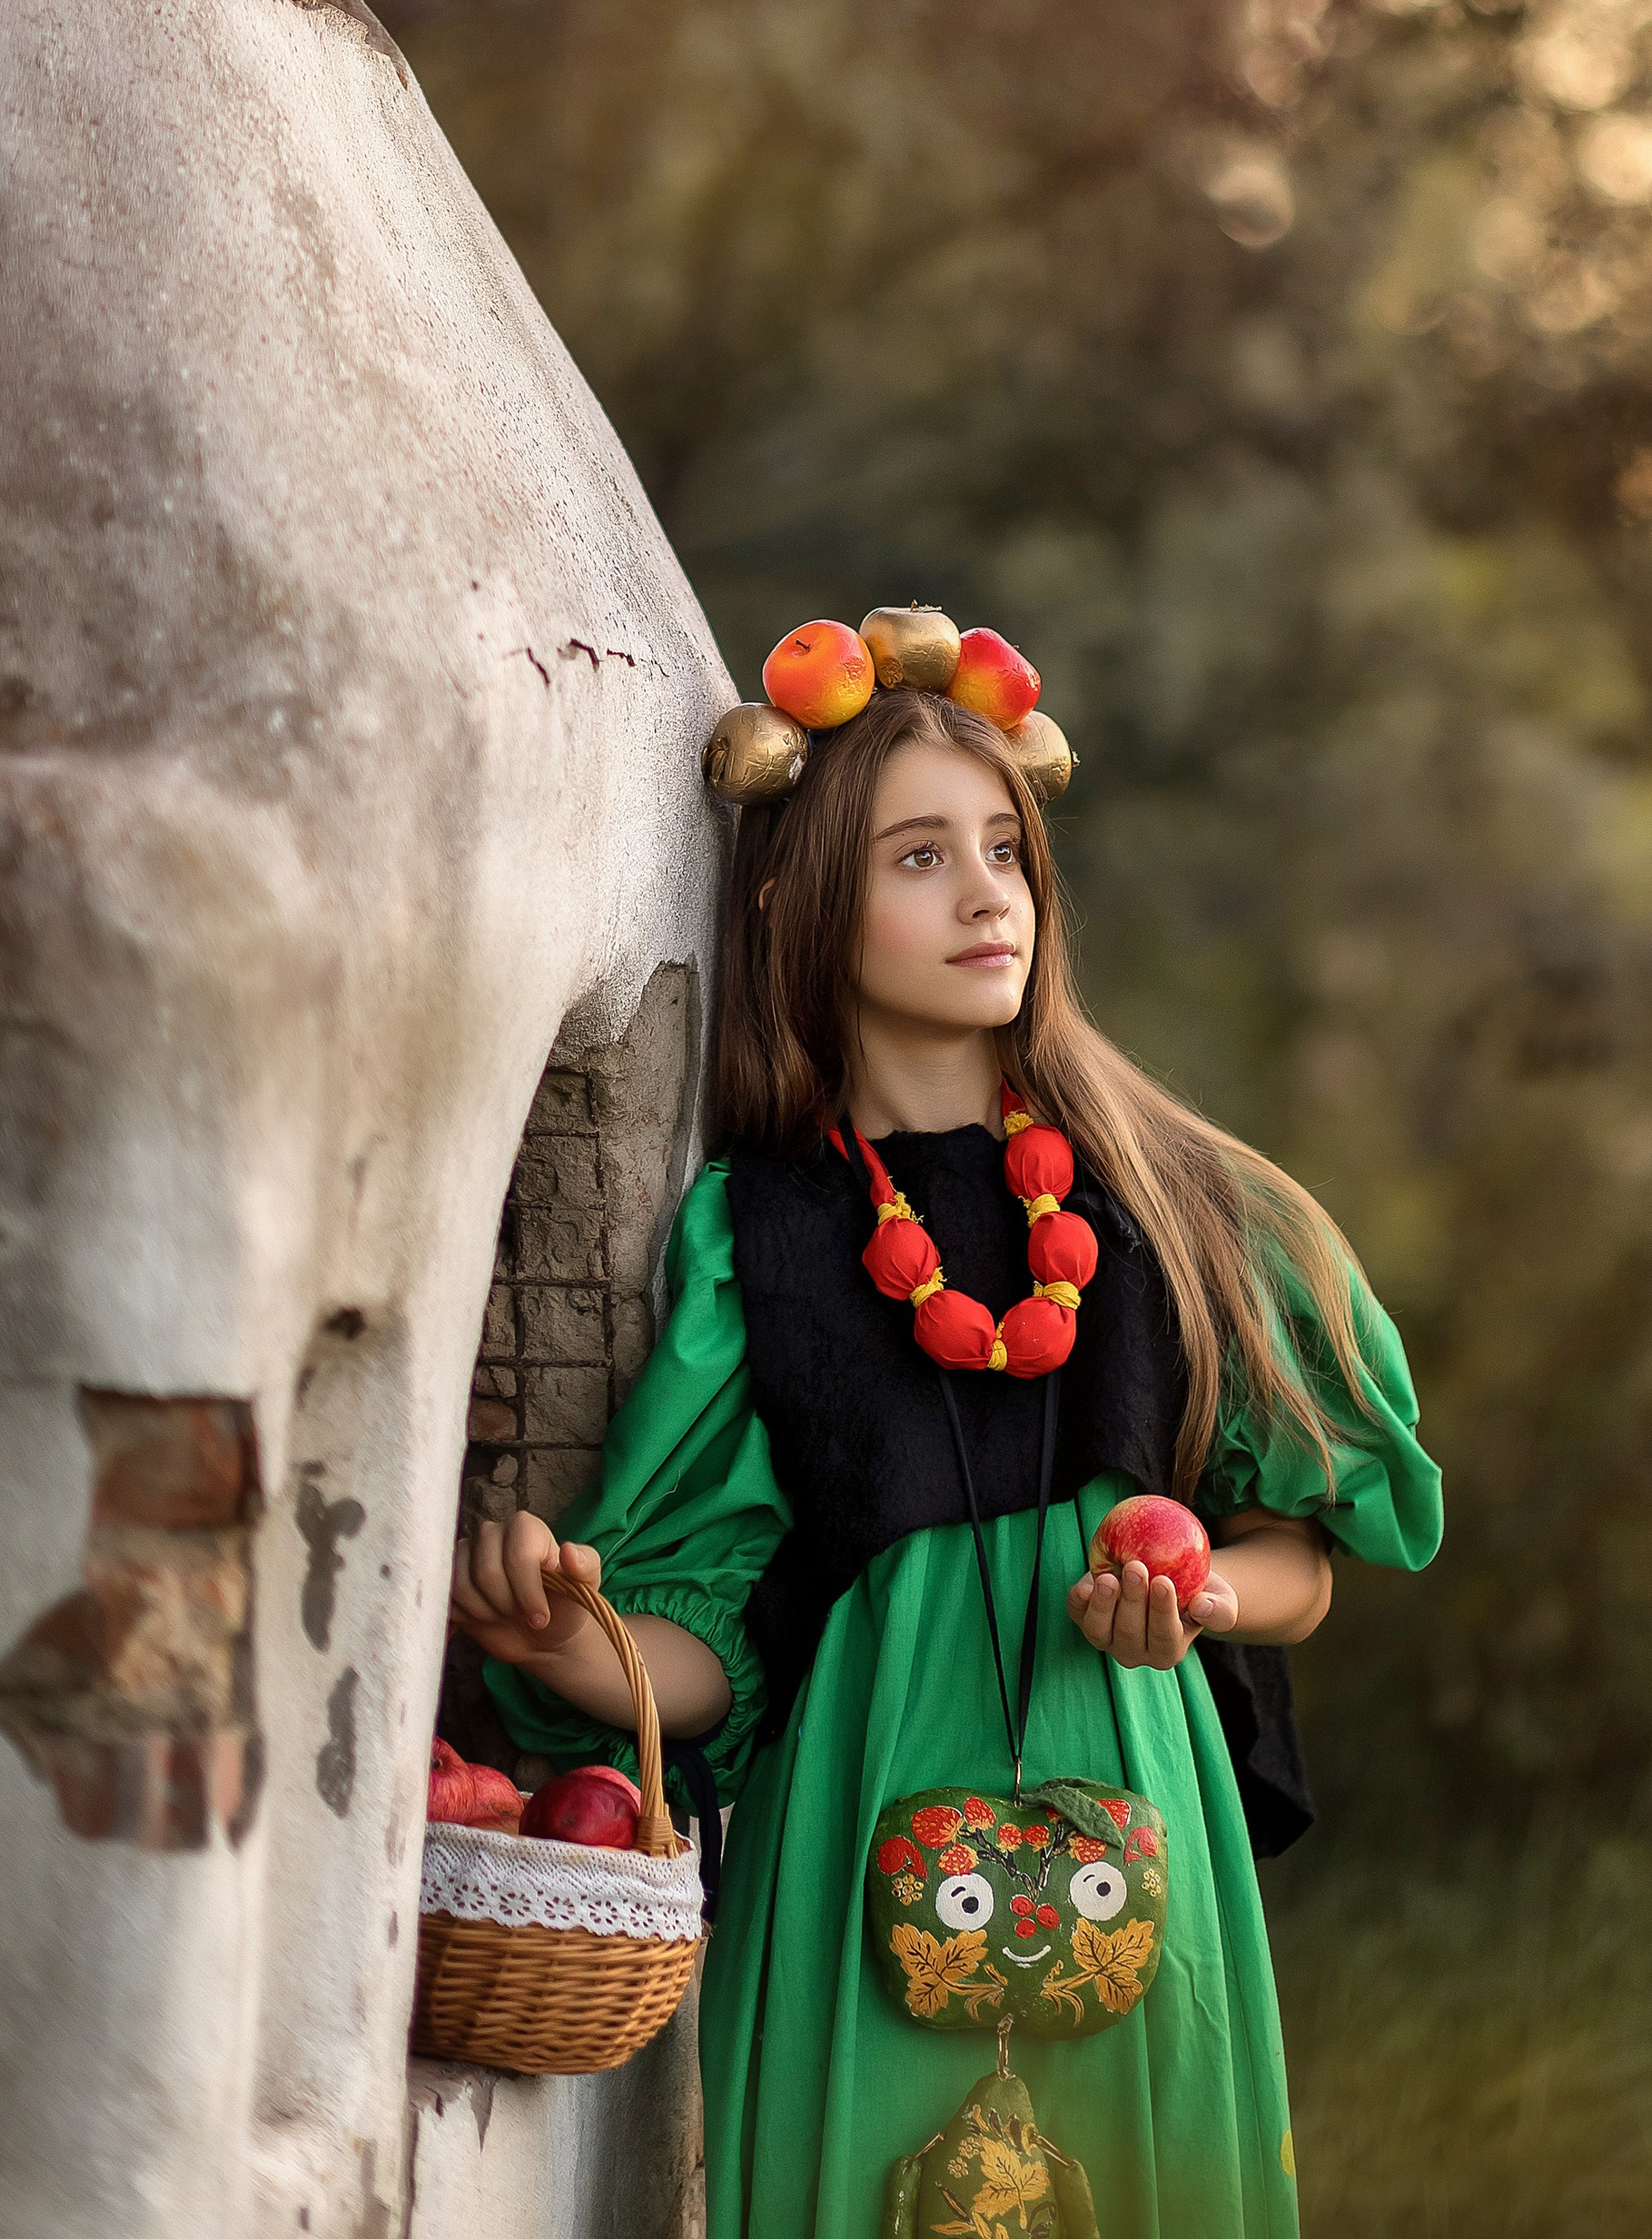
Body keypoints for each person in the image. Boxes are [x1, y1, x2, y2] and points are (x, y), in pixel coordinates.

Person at [450, 630, 1439, 2238]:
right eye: (922, 857)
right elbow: (728, 1646)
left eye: (1005, 852)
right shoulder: (753, 1240)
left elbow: (1302, 1565)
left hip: (1141, 1823)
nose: (990, 896)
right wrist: (579, 1650)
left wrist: (1202, 1602)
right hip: (852, 1836)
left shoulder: (1182, 1211)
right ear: (803, 907)